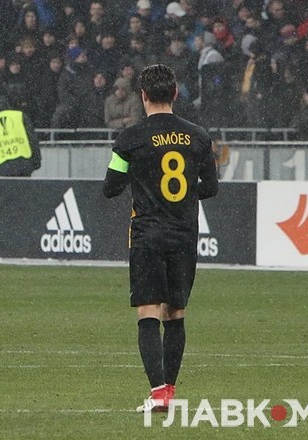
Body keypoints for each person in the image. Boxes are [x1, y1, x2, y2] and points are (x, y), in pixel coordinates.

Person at [102, 64, 218, 412]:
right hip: (184, 234)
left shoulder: (130, 139)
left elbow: (110, 187)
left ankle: (157, 394)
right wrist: (183, 195)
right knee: (176, 312)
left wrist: (141, 177)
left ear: (143, 96)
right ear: (175, 94)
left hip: (148, 234)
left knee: (148, 311)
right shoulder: (198, 136)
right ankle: (169, 390)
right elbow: (211, 187)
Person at [0, 87, 41, 177]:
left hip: (1, 168)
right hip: (23, 164)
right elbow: (32, 139)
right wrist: (36, 161)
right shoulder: (20, 116)